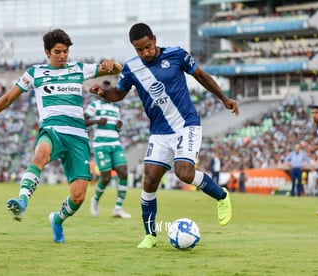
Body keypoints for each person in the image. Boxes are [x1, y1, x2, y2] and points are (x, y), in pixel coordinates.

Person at [89, 23, 239, 249]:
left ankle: (221, 196)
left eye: (148, 47)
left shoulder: (176, 54)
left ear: (155, 40)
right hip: (159, 132)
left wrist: (224, 98)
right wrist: (103, 93)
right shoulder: (131, 68)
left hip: (186, 124)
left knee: (184, 173)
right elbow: (119, 94)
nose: (145, 53)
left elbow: (200, 75)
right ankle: (150, 235)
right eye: (139, 50)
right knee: (149, 181)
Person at [0, 29, 122, 243]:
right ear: (47, 52)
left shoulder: (79, 68)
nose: (62, 56)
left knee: (78, 197)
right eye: (58, 51)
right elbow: (8, 98)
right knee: (39, 156)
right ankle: (21, 203)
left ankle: (57, 219)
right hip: (52, 129)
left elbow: (118, 69)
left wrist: (110, 64)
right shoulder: (35, 73)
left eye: (66, 51)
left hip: (78, 136)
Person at [85, 80, 131, 219]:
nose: (103, 92)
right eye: (102, 90)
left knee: (123, 173)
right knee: (105, 178)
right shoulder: (94, 105)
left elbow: (116, 127)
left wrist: (119, 125)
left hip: (115, 143)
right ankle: (95, 201)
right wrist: (97, 121)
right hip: (101, 144)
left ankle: (118, 208)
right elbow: (83, 121)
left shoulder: (116, 108)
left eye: (106, 90)